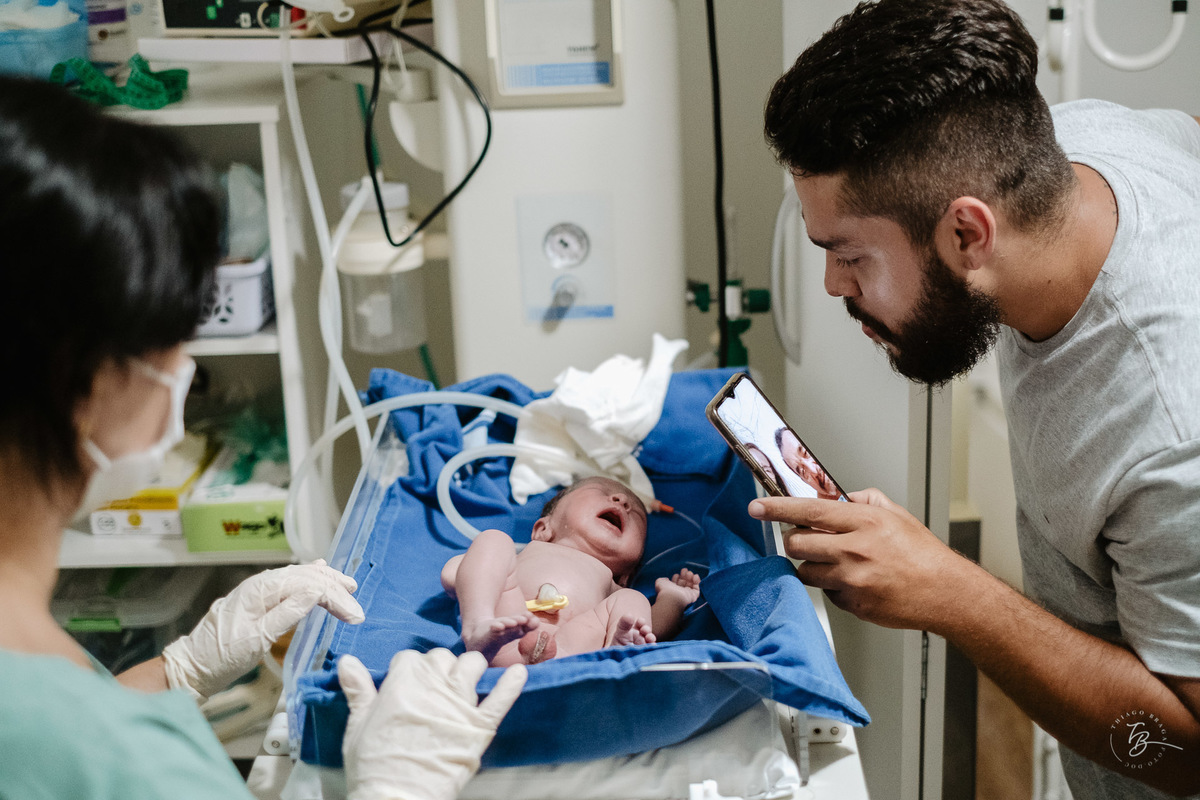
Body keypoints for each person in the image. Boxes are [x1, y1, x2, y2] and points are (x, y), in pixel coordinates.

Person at [0, 75, 524, 800]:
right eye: (177, 347)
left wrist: (176, 671)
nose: (184, 373)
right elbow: (79, 751)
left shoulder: (49, 701)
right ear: (84, 381)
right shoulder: (132, 766)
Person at [759, 1, 1200, 797]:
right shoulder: (1085, 141)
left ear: (968, 235)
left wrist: (953, 594)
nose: (832, 285)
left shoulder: (1170, 426)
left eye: (850, 255)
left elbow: (1190, 754)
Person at [441, 476, 701, 666]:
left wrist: (673, 598)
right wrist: (472, 578)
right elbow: (455, 572)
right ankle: (478, 623)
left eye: (638, 517)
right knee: (494, 539)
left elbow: (651, 627)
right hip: (503, 630)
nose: (622, 501)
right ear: (543, 529)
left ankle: (617, 653)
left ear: (627, 574)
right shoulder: (527, 552)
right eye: (602, 490)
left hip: (571, 650)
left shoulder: (616, 587)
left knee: (634, 602)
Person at [774, 428, 841, 501]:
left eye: (806, 452)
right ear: (803, 481)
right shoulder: (827, 509)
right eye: (803, 471)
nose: (814, 471)